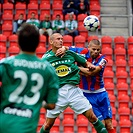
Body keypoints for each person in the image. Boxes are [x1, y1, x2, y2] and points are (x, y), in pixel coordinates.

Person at [39, 33, 108, 133]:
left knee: (93, 117)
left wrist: (89, 66)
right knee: (48, 125)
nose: (61, 41)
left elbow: (85, 62)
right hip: (58, 93)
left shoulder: (70, 54)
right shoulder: (46, 58)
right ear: (51, 41)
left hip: (74, 91)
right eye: (58, 39)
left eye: (62, 39)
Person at [0, 23, 59, 133]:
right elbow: (51, 105)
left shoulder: (7, 64)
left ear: (18, 42)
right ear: (38, 43)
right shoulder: (48, 69)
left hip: (3, 124)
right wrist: (39, 101)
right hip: (26, 127)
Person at [56, 39, 115, 133]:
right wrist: (63, 48)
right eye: (94, 49)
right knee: (102, 123)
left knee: (109, 123)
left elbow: (92, 73)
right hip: (87, 94)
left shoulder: (103, 59)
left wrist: (73, 67)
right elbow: (68, 48)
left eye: (98, 50)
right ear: (88, 48)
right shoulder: (82, 52)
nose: (96, 52)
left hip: (101, 93)